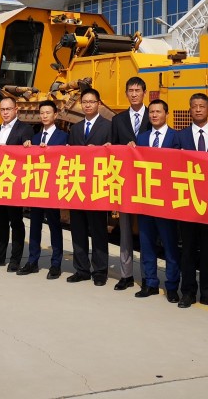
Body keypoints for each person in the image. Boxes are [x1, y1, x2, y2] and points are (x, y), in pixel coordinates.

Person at [175, 93, 208, 309]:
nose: (198, 109)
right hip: (187, 202)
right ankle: (187, 291)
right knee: (187, 249)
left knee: (207, 250)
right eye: (194, 106)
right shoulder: (180, 137)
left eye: (201, 106)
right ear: (189, 110)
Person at [131, 98, 181, 302]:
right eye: (151, 112)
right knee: (146, 243)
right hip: (145, 200)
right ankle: (149, 282)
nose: (154, 115)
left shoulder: (175, 137)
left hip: (167, 202)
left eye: (158, 112)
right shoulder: (141, 139)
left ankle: (171, 286)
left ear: (166, 114)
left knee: (170, 245)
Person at [66, 88, 113, 286]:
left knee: (98, 229)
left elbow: (114, 153)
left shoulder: (108, 127)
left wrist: (103, 150)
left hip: (97, 185)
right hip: (78, 184)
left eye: (91, 102)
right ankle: (82, 268)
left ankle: (100, 270)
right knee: (77, 229)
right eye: (84, 102)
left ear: (99, 104)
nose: (87, 105)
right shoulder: (75, 129)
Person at [109, 77, 151, 291]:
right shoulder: (118, 120)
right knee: (124, 231)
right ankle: (126, 275)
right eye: (130, 90)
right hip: (125, 182)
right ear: (126, 94)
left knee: (146, 232)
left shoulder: (153, 117)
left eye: (137, 90)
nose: (134, 94)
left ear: (144, 92)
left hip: (147, 183)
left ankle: (148, 277)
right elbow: (114, 150)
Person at [0, 96, 32, 270]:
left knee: (16, 222)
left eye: (8, 109)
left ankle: (15, 259)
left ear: (16, 109)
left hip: (14, 183)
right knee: (0, 222)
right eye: (2, 110)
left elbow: (27, 156)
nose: (5, 113)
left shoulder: (25, 129)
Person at [19, 100, 67, 278]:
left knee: (54, 225)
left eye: (48, 113)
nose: (45, 116)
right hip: (36, 186)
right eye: (42, 113)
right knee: (35, 225)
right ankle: (32, 261)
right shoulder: (35, 137)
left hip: (52, 187)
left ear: (55, 115)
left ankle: (56, 264)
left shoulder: (63, 137)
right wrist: (26, 148)